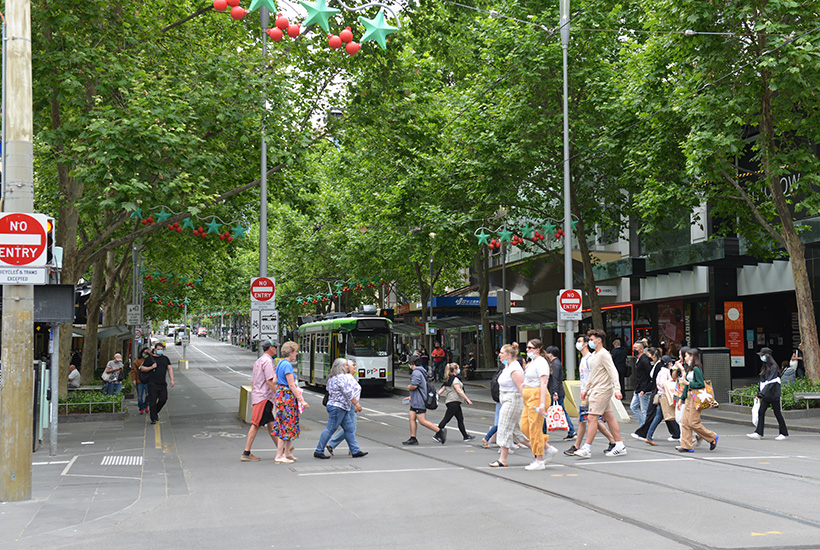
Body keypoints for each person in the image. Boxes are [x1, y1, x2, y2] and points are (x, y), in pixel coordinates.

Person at [574, 329, 627, 458]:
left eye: (592, 340)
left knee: (592, 418)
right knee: (609, 416)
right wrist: (586, 389)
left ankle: (587, 448)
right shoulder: (595, 355)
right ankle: (619, 444)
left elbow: (613, 371)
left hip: (602, 390)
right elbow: (593, 374)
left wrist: (617, 389)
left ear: (599, 340)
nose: (590, 342)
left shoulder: (604, 354)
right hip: (597, 389)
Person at [565, 335, 615, 456]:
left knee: (589, 419)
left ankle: (580, 446)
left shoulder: (590, 358)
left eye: (580, 341)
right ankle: (613, 441)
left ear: (586, 343)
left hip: (592, 393)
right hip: (587, 392)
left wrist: (588, 390)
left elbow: (597, 375)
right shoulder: (584, 359)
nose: (578, 344)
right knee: (592, 420)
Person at [315, 358, 367, 459]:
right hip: (338, 407)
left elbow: (329, 390)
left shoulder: (332, 378)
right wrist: (357, 404)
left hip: (339, 407)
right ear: (341, 367)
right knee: (330, 429)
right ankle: (319, 450)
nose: (348, 367)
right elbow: (348, 392)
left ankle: (355, 450)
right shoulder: (341, 377)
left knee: (349, 428)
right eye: (346, 365)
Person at [519, 340, 557, 471]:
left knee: (535, 428)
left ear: (538, 349)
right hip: (529, 396)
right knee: (524, 427)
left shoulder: (541, 362)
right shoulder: (532, 362)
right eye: (527, 347)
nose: (528, 350)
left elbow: (543, 383)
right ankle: (547, 448)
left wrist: (541, 404)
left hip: (536, 397)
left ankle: (539, 459)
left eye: (531, 348)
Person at [241, 339, 281, 462]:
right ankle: (246, 452)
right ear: (270, 348)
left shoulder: (259, 361)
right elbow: (270, 381)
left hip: (259, 396)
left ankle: (282, 449)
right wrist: (278, 395)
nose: (276, 349)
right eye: (275, 347)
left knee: (271, 424)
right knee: (256, 424)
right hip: (264, 397)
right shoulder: (268, 362)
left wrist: (254, 396)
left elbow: (253, 381)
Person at [272, 341, 309, 463]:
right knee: (286, 425)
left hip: (281, 395)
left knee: (287, 423)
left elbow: (274, 380)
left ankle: (287, 453)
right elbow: (292, 385)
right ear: (291, 352)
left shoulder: (280, 363)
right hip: (287, 397)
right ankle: (279, 455)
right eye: (295, 351)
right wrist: (302, 400)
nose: (297, 354)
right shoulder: (287, 365)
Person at [490, 343, 526, 467]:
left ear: (509, 355)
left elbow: (521, 386)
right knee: (516, 431)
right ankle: (542, 450)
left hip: (512, 399)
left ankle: (502, 459)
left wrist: (527, 403)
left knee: (504, 426)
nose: (499, 355)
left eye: (502, 353)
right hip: (505, 399)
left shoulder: (515, 368)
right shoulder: (507, 366)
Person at [676, 348, 718, 453]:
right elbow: (686, 385)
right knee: (685, 422)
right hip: (689, 396)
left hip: (696, 397)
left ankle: (712, 437)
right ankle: (686, 445)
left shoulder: (696, 369)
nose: (684, 358)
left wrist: (688, 384)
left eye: (686, 356)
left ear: (692, 356)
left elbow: (701, 383)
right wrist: (682, 399)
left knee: (693, 422)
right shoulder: (689, 369)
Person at [402, 357, 446, 445]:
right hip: (415, 400)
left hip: (419, 401)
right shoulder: (421, 371)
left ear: (413, 363)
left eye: (410, 363)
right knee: (412, 418)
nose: (409, 365)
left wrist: (408, 387)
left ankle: (440, 431)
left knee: (422, 420)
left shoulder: (416, 373)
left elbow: (414, 386)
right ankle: (413, 438)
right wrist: (411, 396)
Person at [747, 347, 788, 441]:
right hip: (766, 395)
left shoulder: (773, 367)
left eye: (762, 355)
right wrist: (759, 393)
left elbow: (770, 383)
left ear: (767, 356)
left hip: (773, 395)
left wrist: (761, 394)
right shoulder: (764, 367)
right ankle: (758, 433)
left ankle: (783, 433)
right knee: (761, 412)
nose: (761, 357)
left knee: (777, 413)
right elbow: (762, 383)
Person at [326, 360, 362, 456]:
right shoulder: (347, 378)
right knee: (350, 428)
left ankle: (352, 449)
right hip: (348, 405)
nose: (355, 367)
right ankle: (331, 443)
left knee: (350, 428)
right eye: (352, 365)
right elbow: (349, 393)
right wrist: (355, 404)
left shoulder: (351, 377)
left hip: (349, 405)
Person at [436, 363, 475, 441]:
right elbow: (459, 391)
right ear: (454, 370)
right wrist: (467, 399)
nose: (459, 370)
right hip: (454, 402)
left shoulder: (448, 378)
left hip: (452, 402)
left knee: (460, 419)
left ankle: (465, 436)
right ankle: (437, 434)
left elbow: (442, 389)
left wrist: (436, 395)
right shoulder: (455, 380)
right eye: (458, 368)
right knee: (446, 419)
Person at [544, 346, 575, 440]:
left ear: (551, 354)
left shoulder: (555, 364)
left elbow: (555, 379)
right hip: (557, 391)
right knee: (562, 411)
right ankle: (571, 431)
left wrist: (554, 393)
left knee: (548, 412)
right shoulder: (556, 363)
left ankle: (543, 432)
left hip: (555, 392)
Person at [140, 343, 175, 425]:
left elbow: (170, 369)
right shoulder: (149, 359)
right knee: (152, 401)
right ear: (154, 349)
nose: (159, 351)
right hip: (152, 383)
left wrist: (172, 380)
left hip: (162, 383)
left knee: (163, 399)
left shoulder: (165, 359)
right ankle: (153, 418)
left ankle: (155, 412)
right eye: (158, 349)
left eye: (161, 349)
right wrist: (151, 367)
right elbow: (142, 368)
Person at [630, 342, 652, 425]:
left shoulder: (644, 360)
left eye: (636, 348)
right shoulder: (639, 359)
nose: (634, 349)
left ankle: (646, 429)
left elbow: (650, 374)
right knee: (633, 406)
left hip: (643, 389)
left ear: (642, 349)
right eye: (633, 348)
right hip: (638, 388)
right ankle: (643, 425)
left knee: (644, 410)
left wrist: (644, 389)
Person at [131, 347, 150, 414]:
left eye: (147, 353)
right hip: (139, 380)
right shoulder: (137, 360)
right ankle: (141, 408)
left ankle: (146, 405)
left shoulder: (150, 359)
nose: (146, 354)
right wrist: (134, 379)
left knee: (148, 394)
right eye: (145, 352)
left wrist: (150, 353)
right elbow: (133, 371)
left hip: (148, 380)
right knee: (139, 396)